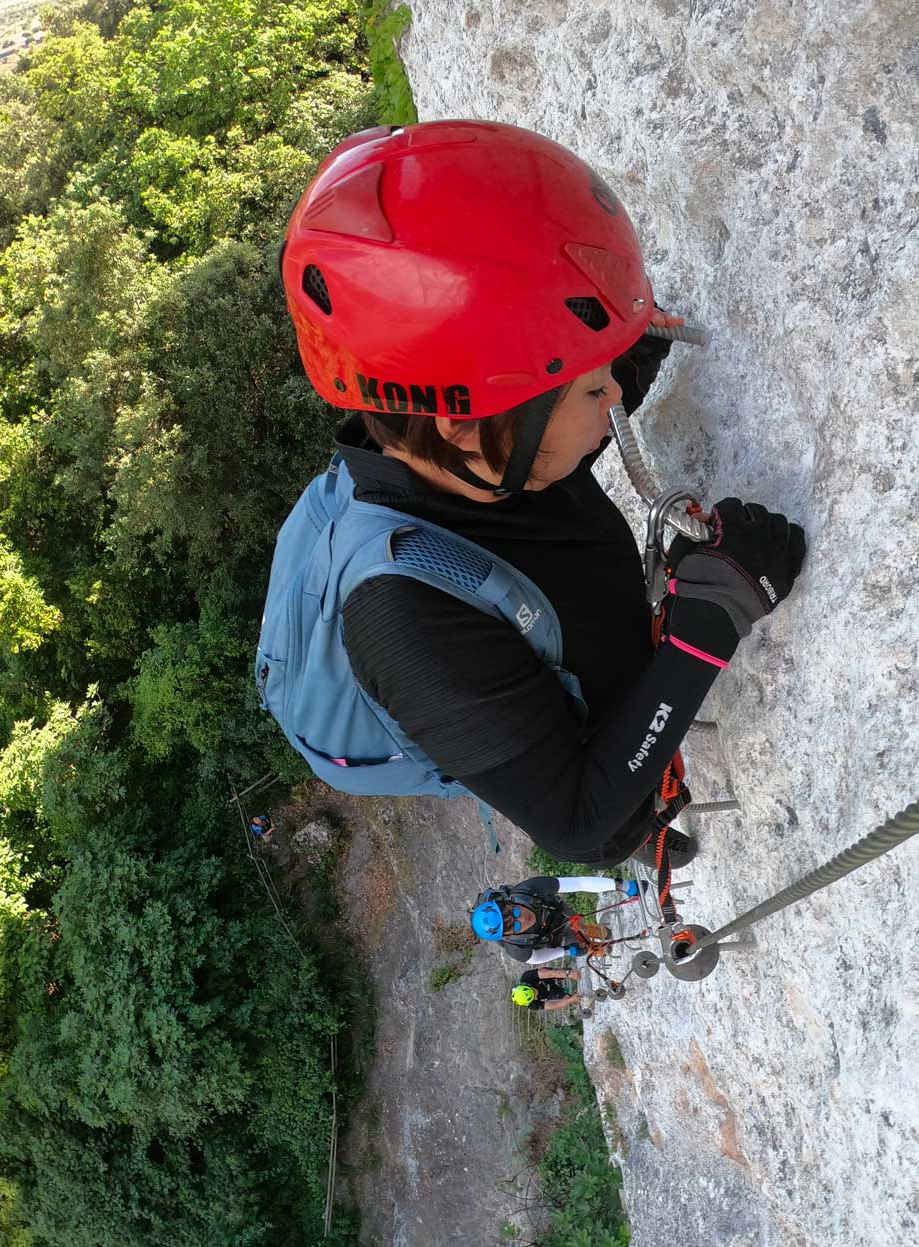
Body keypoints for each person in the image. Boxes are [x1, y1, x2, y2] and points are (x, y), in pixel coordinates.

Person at [277, 120, 806, 868]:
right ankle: (652, 825)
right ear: (464, 428)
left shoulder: (455, 453)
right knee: (621, 824)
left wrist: (596, 351)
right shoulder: (407, 623)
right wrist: (710, 621)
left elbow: (523, 479)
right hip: (579, 777)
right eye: (593, 390)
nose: (613, 394)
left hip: (545, 577)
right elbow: (578, 822)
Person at [470, 875, 645, 965]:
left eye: (514, 912)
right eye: (515, 925)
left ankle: (602, 933)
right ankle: (598, 948)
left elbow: (578, 883)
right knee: (582, 945)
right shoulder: (516, 949)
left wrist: (622, 885)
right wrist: (567, 951)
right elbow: (536, 957)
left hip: (555, 911)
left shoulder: (526, 891)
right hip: (550, 938)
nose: (523, 917)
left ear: (508, 901)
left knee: (580, 927)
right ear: (508, 935)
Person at [511, 967, 582, 1013]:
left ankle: (568, 972)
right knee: (567, 997)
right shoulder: (532, 1005)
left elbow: (550, 974)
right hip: (548, 993)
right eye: (534, 996)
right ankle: (565, 992)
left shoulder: (527, 977)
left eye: (533, 990)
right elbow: (554, 1005)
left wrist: (569, 974)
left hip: (546, 978)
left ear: (528, 985)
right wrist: (570, 1000)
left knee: (558, 972)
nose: (536, 994)